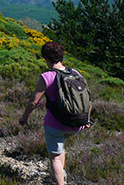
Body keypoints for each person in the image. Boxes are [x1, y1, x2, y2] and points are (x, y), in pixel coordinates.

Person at [18, 42, 92, 185]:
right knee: (61, 148)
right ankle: (60, 175)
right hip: (78, 124)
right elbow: (88, 98)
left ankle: (59, 181)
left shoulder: (47, 76)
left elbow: (34, 102)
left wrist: (24, 117)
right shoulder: (75, 73)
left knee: (55, 157)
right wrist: (86, 120)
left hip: (56, 125)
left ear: (46, 58)